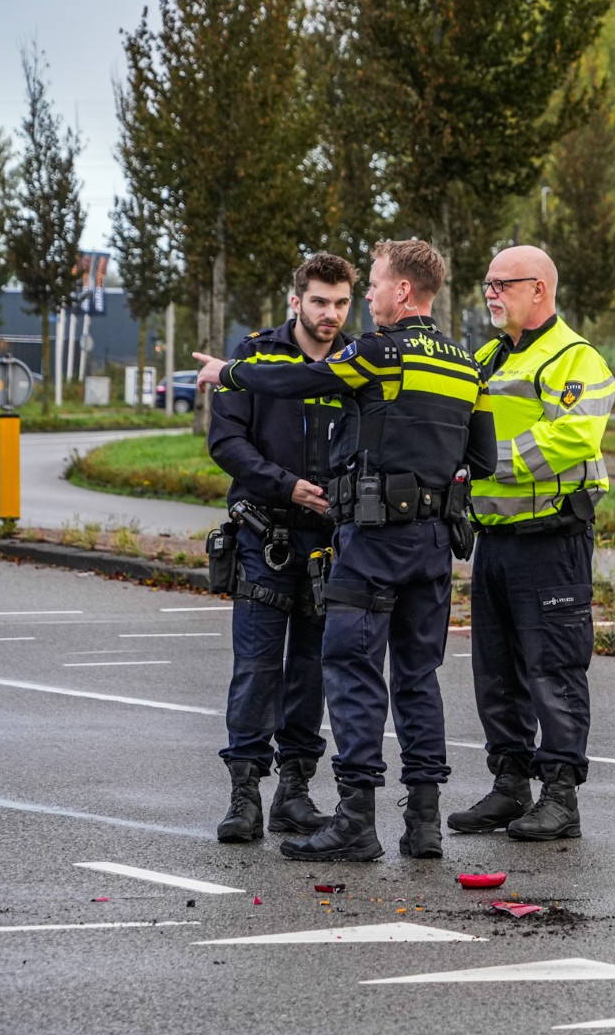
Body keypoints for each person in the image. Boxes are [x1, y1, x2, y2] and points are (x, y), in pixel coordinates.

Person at [195, 239, 495, 862]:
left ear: (402, 291)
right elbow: (483, 460)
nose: (367, 300)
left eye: (375, 285)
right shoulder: (469, 365)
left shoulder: (379, 353)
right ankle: (423, 825)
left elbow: (311, 378)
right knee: (418, 678)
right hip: (434, 547)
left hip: (370, 543)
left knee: (352, 674)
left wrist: (228, 372)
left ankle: (356, 818)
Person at [447, 245, 615, 842]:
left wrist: (482, 465)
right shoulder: (488, 357)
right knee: (496, 672)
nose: (490, 293)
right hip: (496, 539)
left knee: (554, 670)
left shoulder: (576, 358)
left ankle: (561, 798)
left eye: (502, 283)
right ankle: (510, 785)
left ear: (538, 288)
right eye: (486, 282)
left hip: (551, 539)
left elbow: (568, 438)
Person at [209, 253, 356, 844]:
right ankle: (245, 795)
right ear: (295, 300)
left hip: (332, 543)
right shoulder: (253, 356)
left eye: (342, 302)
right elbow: (226, 442)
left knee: (311, 671)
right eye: (319, 301)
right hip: (264, 536)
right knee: (257, 668)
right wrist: (286, 484)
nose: (331, 314)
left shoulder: (357, 360)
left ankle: (294, 792)